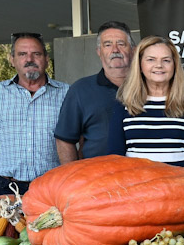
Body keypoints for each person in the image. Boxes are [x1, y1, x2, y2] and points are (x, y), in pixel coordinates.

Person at [0, 32, 69, 196]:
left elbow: (81, 141)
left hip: (52, 186)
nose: (29, 59)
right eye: (22, 54)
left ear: (46, 59)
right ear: (12, 60)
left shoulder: (67, 93)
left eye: (36, 54)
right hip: (6, 187)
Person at [107, 35, 184, 171]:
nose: (159, 65)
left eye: (166, 60)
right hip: (135, 187)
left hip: (182, 187)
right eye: (151, 60)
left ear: (174, 65)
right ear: (140, 65)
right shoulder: (124, 105)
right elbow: (115, 156)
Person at [55, 20, 136, 163]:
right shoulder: (81, 90)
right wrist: (74, 179)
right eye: (108, 44)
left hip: (145, 177)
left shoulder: (150, 87)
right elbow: (65, 140)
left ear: (133, 50)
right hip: (98, 180)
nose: (115, 50)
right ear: (99, 52)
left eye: (121, 44)